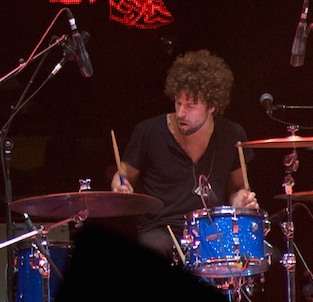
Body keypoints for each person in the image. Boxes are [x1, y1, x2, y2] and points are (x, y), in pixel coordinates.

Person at [111, 49, 258, 259]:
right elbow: (124, 175)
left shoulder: (232, 134)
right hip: (162, 228)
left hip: (211, 228)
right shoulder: (148, 132)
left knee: (258, 255)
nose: (181, 112)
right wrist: (120, 185)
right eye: (178, 102)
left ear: (212, 105)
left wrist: (241, 201)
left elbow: (237, 188)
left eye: (191, 105)